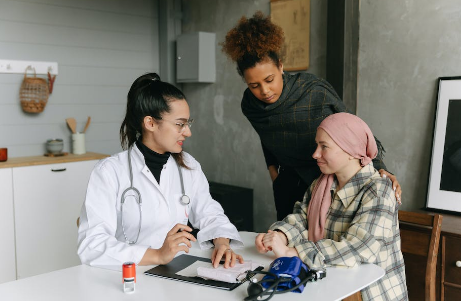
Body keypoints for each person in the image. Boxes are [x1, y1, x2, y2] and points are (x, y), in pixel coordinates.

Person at [221, 11, 401, 220]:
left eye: (269, 80)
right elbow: (267, 137)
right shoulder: (250, 105)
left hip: (328, 178)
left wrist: (380, 168)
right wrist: (273, 171)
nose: (264, 91)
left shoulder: (312, 90)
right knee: (287, 238)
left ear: (280, 66)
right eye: (254, 85)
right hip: (288, 183)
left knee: (323, 242)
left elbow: (353, 131)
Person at [78, 73, 243, 268]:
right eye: (180, 124)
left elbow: (210, 213)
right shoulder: (109, 171)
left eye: (188, 123)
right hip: (127, 276)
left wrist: (222, 243)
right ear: (150, 123)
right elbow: (92, 245)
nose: (188, 132)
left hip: (174, 271)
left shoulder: (188, 166)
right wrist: (157, 255)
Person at [255, 113, 408, 301]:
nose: (315, 154)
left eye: (324, 147)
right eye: (316, 145)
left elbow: (359, 248)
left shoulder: (379, 190)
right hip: (331, 286)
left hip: (368, 294)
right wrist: (279, 236)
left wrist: (293, 252)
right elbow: (302, 219)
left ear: (350, 150)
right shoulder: (322, 183)